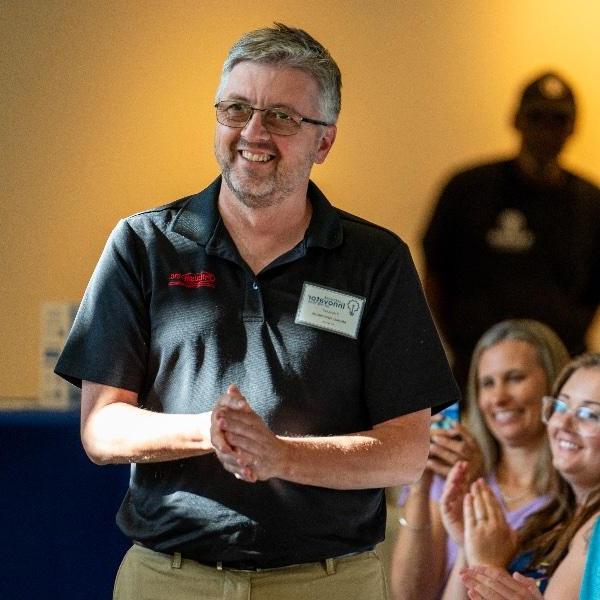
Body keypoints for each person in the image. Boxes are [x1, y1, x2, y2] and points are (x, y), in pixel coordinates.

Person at [54, 23, 459, 600]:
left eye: (282, 117)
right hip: (170, 579)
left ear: (324, 142)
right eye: (235, 109)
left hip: (330, 582)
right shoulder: (144, 245)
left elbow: (405, 450)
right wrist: (212, 431)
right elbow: (101, 430)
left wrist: (279, 454)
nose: (252, 132)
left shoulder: (375, 261)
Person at [422, 70, 600, 391]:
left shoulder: (591, 202)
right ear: (516, 119)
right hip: (477, 376)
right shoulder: (468, 189)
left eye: (558, 119)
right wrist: (462, 349)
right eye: (536, 116)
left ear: (573, 126)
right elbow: (434, 274)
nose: (546, 129)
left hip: (562, 379)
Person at [389, 319, 569, 600]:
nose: (498, 397)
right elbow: (410, 596)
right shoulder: (454, 475)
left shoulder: (574, 490)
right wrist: (422, 484)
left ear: (554, 384)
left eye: (515, 378)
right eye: (487, 383)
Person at [443, 352, 600, 599]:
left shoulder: (596, 531)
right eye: (560, 406)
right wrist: (469, 545)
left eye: (590, 414)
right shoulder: (553, 517)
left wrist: (487, 566)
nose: (563, 424)